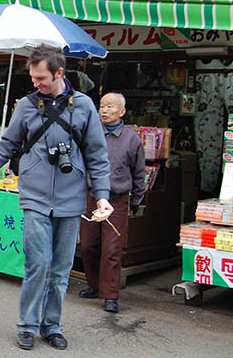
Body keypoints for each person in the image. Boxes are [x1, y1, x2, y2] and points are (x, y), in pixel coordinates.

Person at [0, 44, 113, 351]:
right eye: (33, 77)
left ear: (59, 73)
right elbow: (6, 145)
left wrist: (102, 196)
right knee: (38, 264)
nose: (36, 83)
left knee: (60, 269)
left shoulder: (83, 106)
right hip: (34, 197)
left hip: (71, 199)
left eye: (41, 77)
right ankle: (28, 325)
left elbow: (97, 155)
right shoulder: (27, 106)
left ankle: (52, 325)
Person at [79, 92, 146, 314]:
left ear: (122, 112)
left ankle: (110, 295)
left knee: (111, 248)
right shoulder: (91, 134)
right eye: (102, 106)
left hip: (117, 199)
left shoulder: (132, 139)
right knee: (87, 245)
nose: (104, 111)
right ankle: (94, 285)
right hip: (91, 196)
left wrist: (136, 199)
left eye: (110, 107)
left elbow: (139, 173)